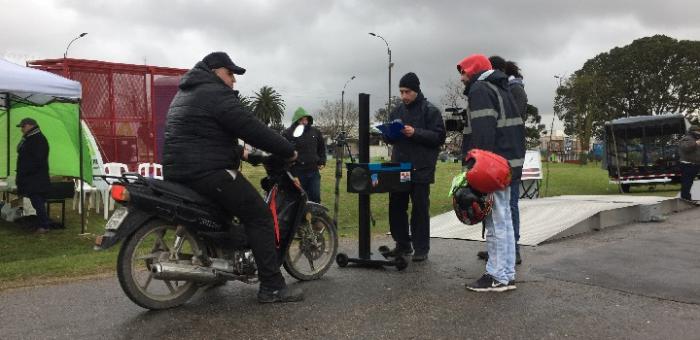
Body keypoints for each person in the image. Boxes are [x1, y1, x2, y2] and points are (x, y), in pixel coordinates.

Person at [162, 51, 302, 303]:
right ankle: (272, 286)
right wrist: (287, 149)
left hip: (179, 171)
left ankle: (214, 270)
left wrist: (251, 156)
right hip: (208, 172)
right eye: (230, 74)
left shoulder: (186, 93)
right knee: (259, 216)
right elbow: (250, 126)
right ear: (215, 71)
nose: (234, 81)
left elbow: (205, 138)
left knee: (221, 219)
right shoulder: (215, 93)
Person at [457, 54, 525, 292]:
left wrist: (476, 169)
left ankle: (496, 275)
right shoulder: (501, 88)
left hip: (492, 167)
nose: (462, 78)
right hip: (508, 164)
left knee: (495, 221)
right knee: (504, 219)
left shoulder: (480, 90)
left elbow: (483, 132)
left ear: (474, 70)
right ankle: (506, 274)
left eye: (464, 72)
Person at [383, 72, 446, 262]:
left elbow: (438, 138)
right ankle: (402, 244)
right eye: (401, 92)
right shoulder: (396, 111)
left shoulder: (430, 111)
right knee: (396, 207)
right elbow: (389, 138)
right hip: (399, 166)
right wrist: (387, 134)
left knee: (419, 209)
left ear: (416, 90)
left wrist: (415, 132)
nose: (403, 96)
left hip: (421, 168)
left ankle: (421, 248)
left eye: (407, 91)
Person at [477, 60, 529, 265]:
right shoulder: (506, 89)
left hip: (508, 159)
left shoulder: (514, 90)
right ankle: (497, 248)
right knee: (494, 205)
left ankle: (512, 249)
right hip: (499, 158)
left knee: (509, 205)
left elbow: (512, 122)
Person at [282, 107, 326, 203]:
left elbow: (322, 148)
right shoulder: (288, 133)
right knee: (298, 200)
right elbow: (284, 155)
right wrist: (293, 175)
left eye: (306, 119)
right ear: (296, 120)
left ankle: (315, 218)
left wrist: (322, 161)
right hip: (297, 173)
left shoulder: (315, 132)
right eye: (301, 119)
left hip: (313, 172)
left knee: (315, 198)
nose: (304, 122)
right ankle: (299, 218)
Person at [15, 117, 51, 234]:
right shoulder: (30, 138)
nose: (21, 129)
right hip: (32, 178)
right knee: (37, 202)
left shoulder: (38, 139)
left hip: (36, 178)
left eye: (23, 126)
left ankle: (44, 226)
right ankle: (42, 224)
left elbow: (38, 160)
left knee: (38, 202)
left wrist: (25, 171)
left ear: (30, 126)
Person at [679, 125, 700, 201]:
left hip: (694, 164)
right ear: (692, 132)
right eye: (697, 131)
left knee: (689, 182)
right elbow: (685, 148)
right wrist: (696, 143)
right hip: (687, 164)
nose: (698, 132)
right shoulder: (687, 138)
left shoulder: (695, 139)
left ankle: (686, 197)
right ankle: (685, 198)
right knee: (687, 182)